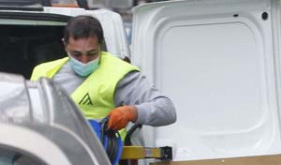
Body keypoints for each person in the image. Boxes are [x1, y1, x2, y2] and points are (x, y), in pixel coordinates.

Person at [31, 15, 176, 134]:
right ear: (65, 45)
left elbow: (167, 109)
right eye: (76, 54)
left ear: (101, 45)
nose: (84, 61)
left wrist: (132, 112)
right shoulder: (43, 72)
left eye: (92, 53)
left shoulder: (119, 73)